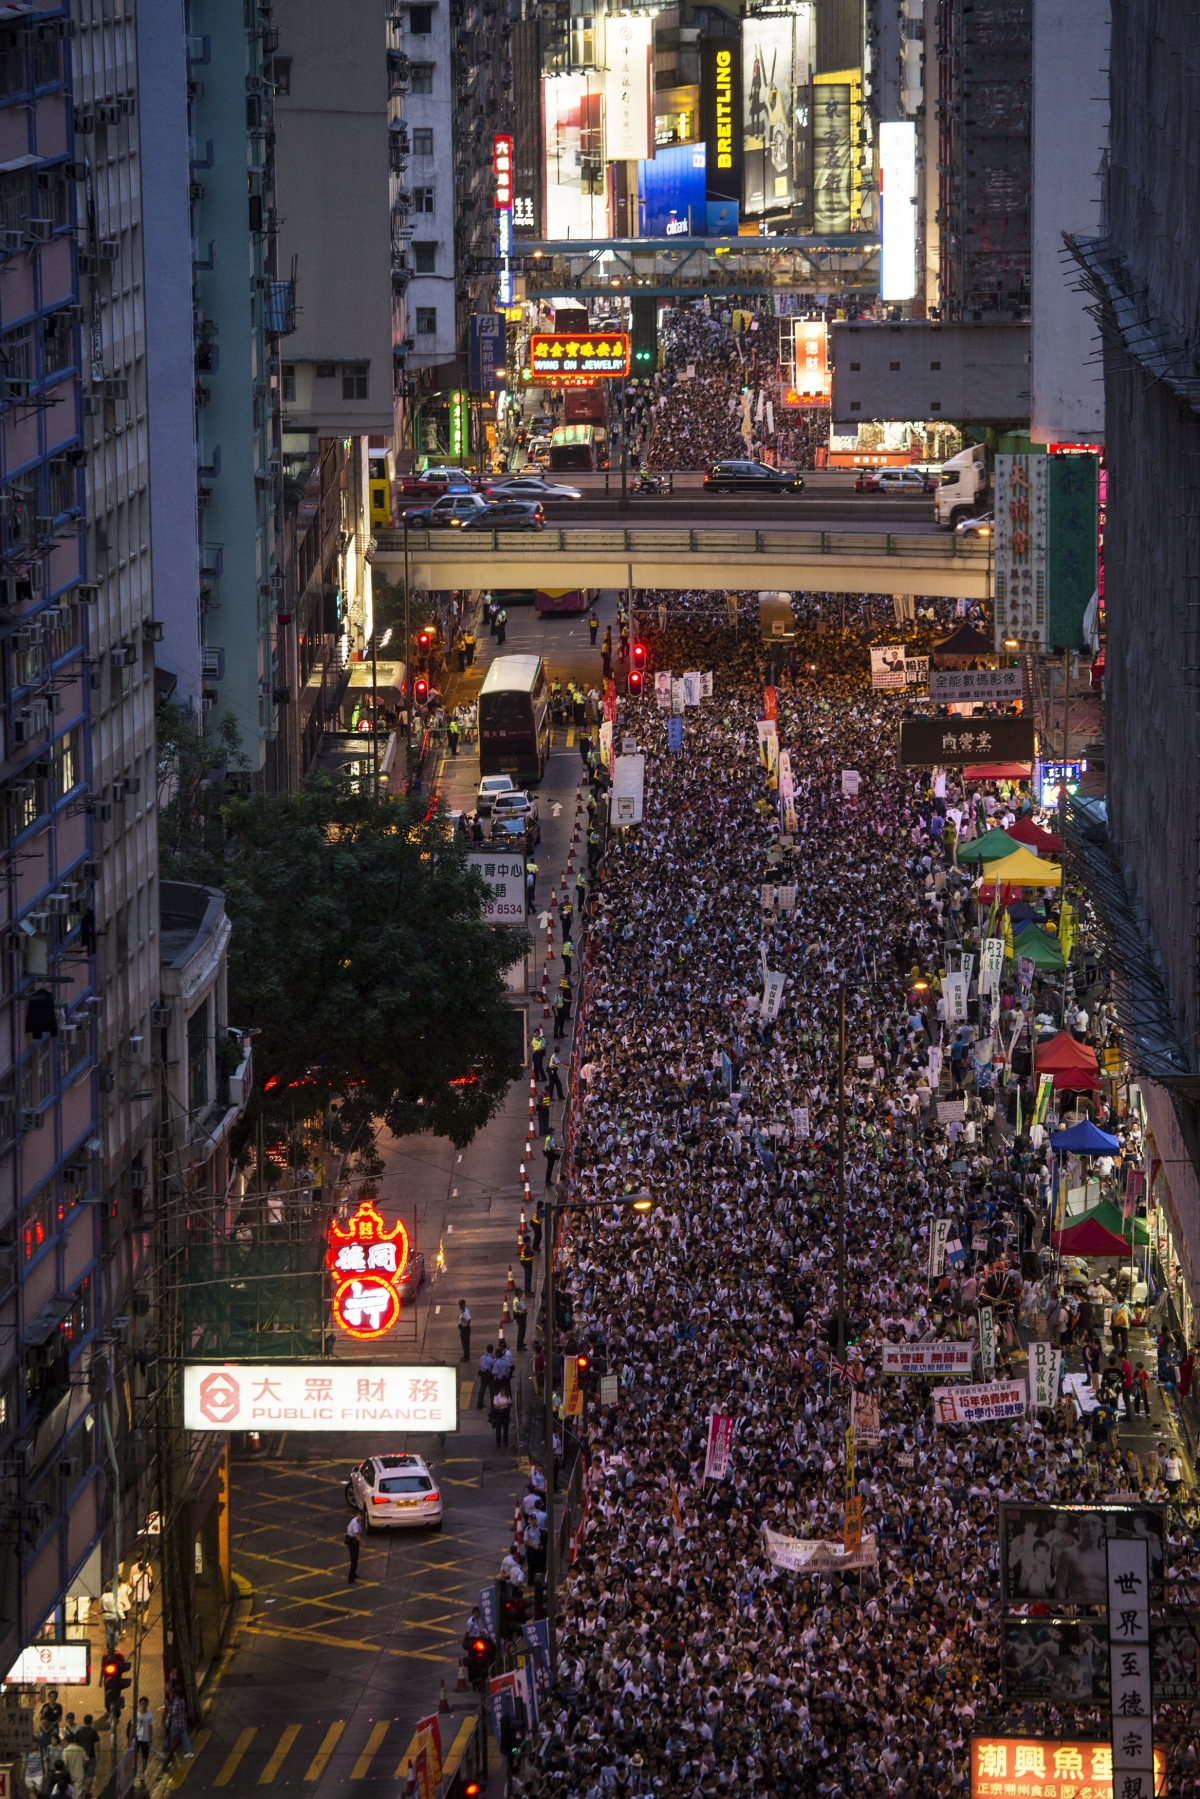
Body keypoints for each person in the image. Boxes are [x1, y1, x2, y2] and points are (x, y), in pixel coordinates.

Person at [133, 1696, 154, 1778]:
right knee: (134, 1755)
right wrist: (131, 1738)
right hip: (137, 1738)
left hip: (145, 1739)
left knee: (145, 1757)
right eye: (142, 1704)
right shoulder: (136, 1715)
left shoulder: (150, 1716)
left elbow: (150, 1728)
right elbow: (133, 1726)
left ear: (147, 1704)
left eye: (145, 1703)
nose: (143, 1705)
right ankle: (133, 1771)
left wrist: (150, 1740)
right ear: (139, 1704)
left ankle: (142, 1773)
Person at [489, 1383, 512, 1448]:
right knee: (498, 1429)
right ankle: (498, 1442)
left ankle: (505, 1441)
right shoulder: (496, 1396)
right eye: (502, 1391)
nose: (503, 1393)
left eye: (504, 1392)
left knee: (506, 1428)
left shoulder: (507, 1396)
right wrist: (504, 1404)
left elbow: (509, 1402)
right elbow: (496, 1406)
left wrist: (502, 1404)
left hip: (505, 1413)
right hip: (499, 1414)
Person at [345, 1509, 363, 1583]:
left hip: (351, 1539)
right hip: (353, 1541)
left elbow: (347, 1528)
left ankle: (353, 1574)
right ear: (359, 1514)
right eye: (362, 1516)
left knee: (354, 1558)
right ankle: (351, 1578)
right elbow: (356, 1534)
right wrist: (362, 1542)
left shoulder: (355, 1520)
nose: (363, 1517)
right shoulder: (355, 1522)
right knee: (354, 1559)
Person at [477, 1343, 495, 1409]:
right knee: (492, 1390)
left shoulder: (482, 1357)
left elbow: (479, 1365)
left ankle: (479, 1403)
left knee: (482, 1389)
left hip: (483, 1374)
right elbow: (493, 1367)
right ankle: (493, 1404)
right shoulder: (492, 1359)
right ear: (492, 1350)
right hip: (489, 1375)